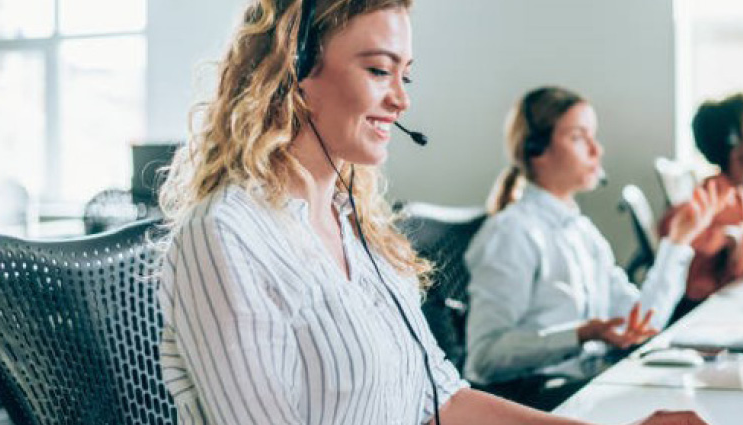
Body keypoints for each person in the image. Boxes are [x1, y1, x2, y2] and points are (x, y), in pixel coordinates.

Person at [156, 1, 708, 423]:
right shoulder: (228, 236)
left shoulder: (360, 232)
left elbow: (440, 399)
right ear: (294, 71)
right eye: (379, 70)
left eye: (406, 75)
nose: (402, 100)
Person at [463, 86, 724, 410]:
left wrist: (678, 241)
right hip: (540, 401)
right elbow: (484, 358)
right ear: (536, 148)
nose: (596, 150)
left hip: (584, 387)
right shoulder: (512, 232)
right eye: (578, 137)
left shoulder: (582, 232)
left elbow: (644, 322)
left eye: (593, 136)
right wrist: (581, 334)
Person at [661, 94, 743, 322]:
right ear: (733, 141)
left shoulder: (739, 194)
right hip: (697, 318)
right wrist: (723, 237)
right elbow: (669, 228)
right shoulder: (712, 195)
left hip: (726, 313)